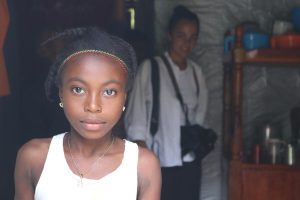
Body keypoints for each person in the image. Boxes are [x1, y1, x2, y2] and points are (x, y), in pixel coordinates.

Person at [14, 27, 161, 200]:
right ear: (61, 93)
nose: (93, 106)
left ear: (124, 98)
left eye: (109, 92)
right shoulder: (33, 158)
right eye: (78, 89)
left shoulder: (142, 165)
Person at [125, 5, 208, 200]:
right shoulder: (151, 68)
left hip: (190, 163)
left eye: (192, 37)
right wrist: (145, 160)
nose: (186, 43)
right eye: (181, 35)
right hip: (159, 161)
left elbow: (200, 119)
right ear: (170, 35)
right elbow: (136, 117)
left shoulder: (197, 73)